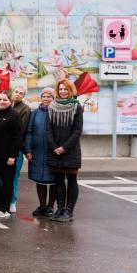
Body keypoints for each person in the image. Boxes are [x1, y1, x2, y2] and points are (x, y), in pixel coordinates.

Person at [47, 79, 83, 222]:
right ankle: (60, 208)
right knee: (58, 181)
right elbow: (48, 130)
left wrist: (64, 147)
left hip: (71, 150)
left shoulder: (76, 106)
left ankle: (69, 211)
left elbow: (77, 131)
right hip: (55, 150)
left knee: (72, 180)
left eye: (65, 89)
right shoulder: (52, 106)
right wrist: (54, 146)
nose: (62, 91)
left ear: (71, 90)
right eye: (60, 89)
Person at [0, 90, 23, 219]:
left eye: (4, 100)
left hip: (7, 157)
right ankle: (1, 204)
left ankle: (4, 208)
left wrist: (13, 156)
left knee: (7, 182)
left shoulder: (14, 116)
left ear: (10, 101)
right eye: (0, 99)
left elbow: (17, 137)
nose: (1, 102)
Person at [24, 87, 57, 218]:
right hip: (37, 152)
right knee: (40, 180)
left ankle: (50, 207)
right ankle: (42, 206)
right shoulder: (35, 113)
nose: (46, 98)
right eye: (44, 96)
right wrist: (27, 149)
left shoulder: (57, 113)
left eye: (49, 96)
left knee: (54, 180)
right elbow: (29, 131)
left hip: (53, 152)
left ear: (54, 99)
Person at [9, 86, 31, 213]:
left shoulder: (25, 109)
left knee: (13, 176)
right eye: (16, 92)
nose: (17, 94)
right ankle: (3, 199)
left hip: (16, 148)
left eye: (21, 93)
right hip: (2, 147)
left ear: (23, 96)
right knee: (2, 176)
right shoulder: (5, 104)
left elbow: (20, 130)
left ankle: (12, 201)